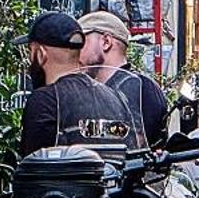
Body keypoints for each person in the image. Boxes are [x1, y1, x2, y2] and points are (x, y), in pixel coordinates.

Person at [20, 10, 137, 153]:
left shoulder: (45, 101)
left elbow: (33, 169)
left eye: (30, 52)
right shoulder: (117, 98)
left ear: (41, 54)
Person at [79, 9, 169, 147]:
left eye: (81, 42)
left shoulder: (140, 88)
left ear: (106, 42)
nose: (75, 51)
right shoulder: (94, 90)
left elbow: (135, 145)